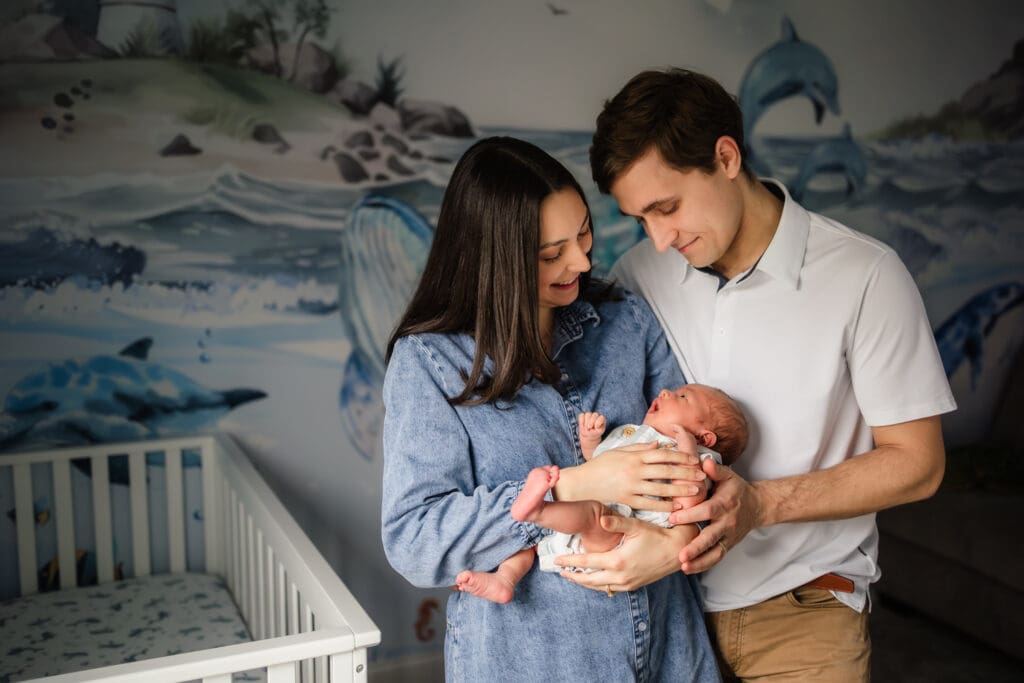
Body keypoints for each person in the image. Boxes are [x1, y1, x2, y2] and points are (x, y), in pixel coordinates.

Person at [559, 68, 957, 681]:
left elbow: (919, 462)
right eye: (641, 218)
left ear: (725, 157)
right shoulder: (640, 274)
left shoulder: (866, 277)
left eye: (666, 207)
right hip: (666, 611)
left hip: (805, 609)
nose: (659, 240)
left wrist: (760, 505)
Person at [380, 136, 721, 681]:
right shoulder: (430, 363)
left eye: (583, 232)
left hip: (669, 654)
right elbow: (416, 540)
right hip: (531, 661)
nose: (582, 261)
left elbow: (703, 458)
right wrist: (575, 484)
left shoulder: (624, 323)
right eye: (550, 254)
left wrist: (678, 539)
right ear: (496, 261)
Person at [455, 383, 748, 604]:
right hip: (582, 512)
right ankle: (506, 579)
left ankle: (537, 510)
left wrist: (687, 449)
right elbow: (597, 462)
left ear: (704, 437)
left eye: (683, 397)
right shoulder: (633, 432)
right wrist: (591, 440)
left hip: (618, 538)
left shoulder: (701, 459)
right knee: (529, 541)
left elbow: (690, 505)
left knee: (597, 516)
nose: (666, 392)